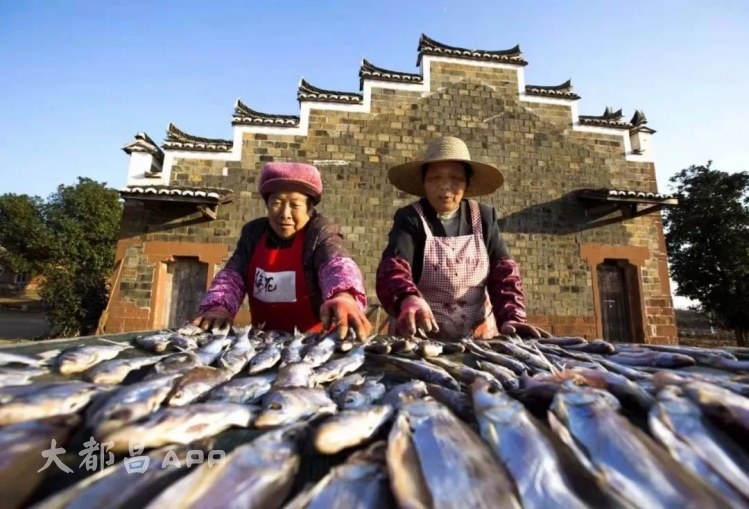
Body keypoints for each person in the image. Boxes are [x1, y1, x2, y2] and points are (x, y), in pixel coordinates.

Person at [376, 136, 551, 341]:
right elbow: (393, 268)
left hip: (477, 335)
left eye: (455, 179)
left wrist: (512, 318)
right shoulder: (411, 218)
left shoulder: (484, 217)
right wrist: (407, 299)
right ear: (424, 183)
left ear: (467, 184)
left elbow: (504, 273)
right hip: (421, 333)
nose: (445, 187)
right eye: (435, 178)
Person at [191, 162, 372, 340]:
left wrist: (344, 296)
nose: (285, 213)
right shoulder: (253, 233)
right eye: (276, 203)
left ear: (310, 208)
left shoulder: (321, 232)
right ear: (267, 205)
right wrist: (218, 306)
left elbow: (336, 265)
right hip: (263, 341)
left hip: (317, 342)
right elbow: (232, 276)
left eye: (295, 205)